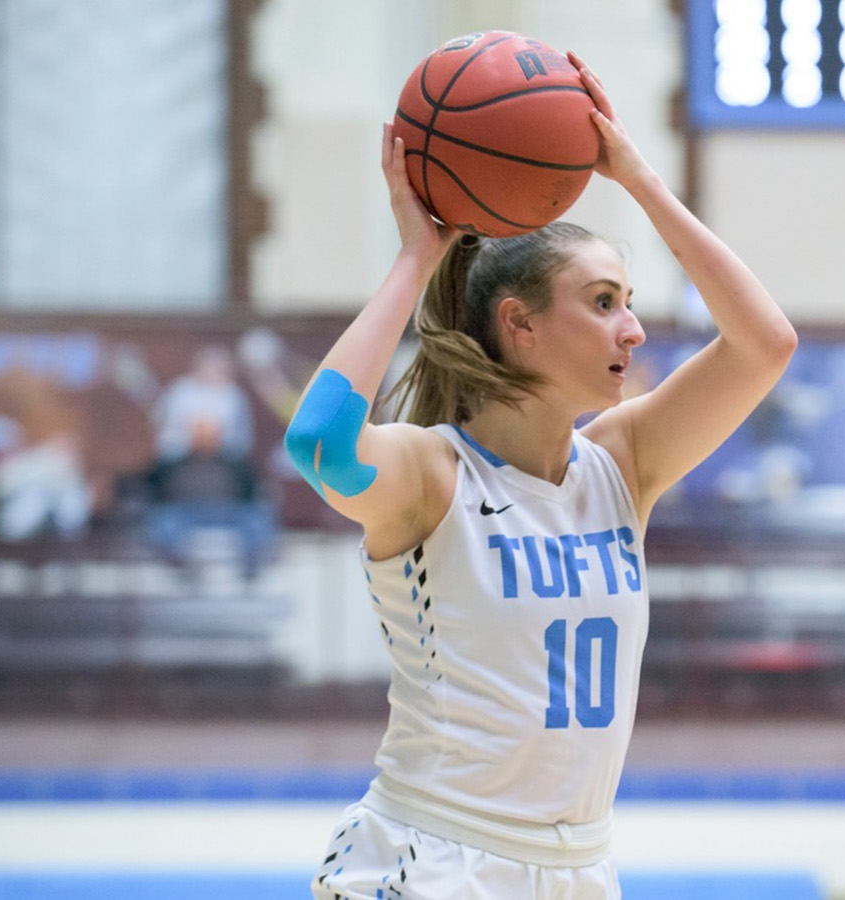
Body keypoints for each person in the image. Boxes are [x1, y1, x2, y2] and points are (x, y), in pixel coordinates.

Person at [287, 54, 797, 900]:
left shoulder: (623, 466)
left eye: (629, 301)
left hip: (579, 869)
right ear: (518, 325)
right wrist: (417, 258)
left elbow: (765, 344)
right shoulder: (431, 473)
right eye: (603, 302)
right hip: (438, 857)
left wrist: (634, 175)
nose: (632, 330)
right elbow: (319, 446)